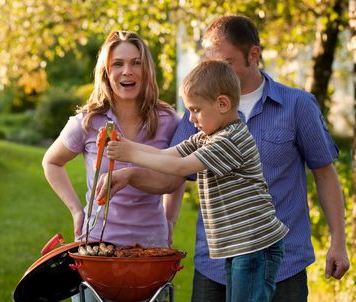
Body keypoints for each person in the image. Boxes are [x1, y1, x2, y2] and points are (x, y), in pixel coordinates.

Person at [97, 15, 350, 301]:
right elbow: (171, 172)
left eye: (224, 63)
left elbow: (325, 173)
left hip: (276, 258)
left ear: (253, 55)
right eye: (208, 62)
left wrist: (338, 242)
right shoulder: (202, 115)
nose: (213, 70)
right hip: (215, 262)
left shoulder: (295, 106)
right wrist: (129, 173)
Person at [106, 59, 289, 301]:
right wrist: (126, 145)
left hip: (255, 245)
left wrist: (130, 155)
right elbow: (165, 155)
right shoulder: (206, 137)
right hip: (239, 246)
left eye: (195, 110)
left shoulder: (230, 139)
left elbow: (180, 167)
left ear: (222, 104)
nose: (191, 119)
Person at [41, 30, 183, 301]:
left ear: (147, 69)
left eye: (136, 62)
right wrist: (76, 210)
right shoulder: (89, 121)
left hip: (151, 249)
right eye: (118, 64)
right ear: (106, 71)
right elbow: (51, 161)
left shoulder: (167, 119)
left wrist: (171, 218)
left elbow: (178, 172)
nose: (127, 71)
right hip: (97, 249)